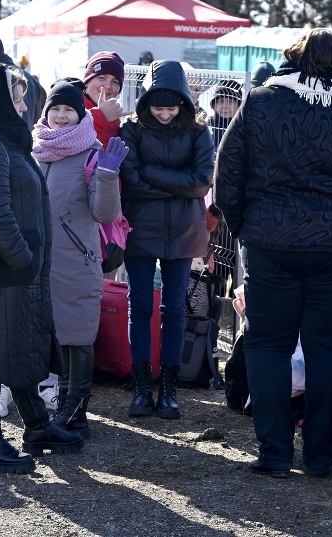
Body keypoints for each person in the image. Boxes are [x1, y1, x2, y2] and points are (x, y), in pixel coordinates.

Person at [214, 28, 332, 478]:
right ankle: (320, 454)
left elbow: (226, 178)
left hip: (270, 242)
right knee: (330, 351)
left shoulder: (259, 101)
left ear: (291, 58)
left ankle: (274, 452)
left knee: (267, 346)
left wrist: (248, 230)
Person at [0, 63, 84, 473]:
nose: (26, 106)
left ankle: (38, 425)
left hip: (10, 270)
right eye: (17, 97)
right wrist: (24, 260)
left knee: (18, 346)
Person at [29, 77, 126, 438]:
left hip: (77, 258)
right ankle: (62, 403)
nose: (61, 116)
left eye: (69, 109)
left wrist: (106, 174)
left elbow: (104, 213)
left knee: (78, 334)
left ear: (80, 113)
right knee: (55, 334)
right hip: (41, 261)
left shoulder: (91, 152)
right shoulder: (37, 151)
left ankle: (76, 410)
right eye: (55, 109)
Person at [119, 59, 215, 420]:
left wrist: (151, 175)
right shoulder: (131, 129)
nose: (163, 113)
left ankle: (169, 389)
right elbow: (130, 179)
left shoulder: (198, 131)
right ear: (147, 102)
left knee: (175, 309)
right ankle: (142, 387)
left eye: (171, 106)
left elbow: (201, 181)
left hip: (184, 231)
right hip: (140, 228)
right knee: (140, 307)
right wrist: (177, 184)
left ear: (184, 103)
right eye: (158, 106)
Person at [82, 51, 127, 148]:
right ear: (86, 82)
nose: (108, 86)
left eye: (115, 82)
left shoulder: (115, 119)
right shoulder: (69, 105)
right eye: (102, 78)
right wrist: (101, 116)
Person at [208, 79, 243, 147]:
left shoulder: (244, 128)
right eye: (221, 101)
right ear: (214, 105)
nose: (225, 106)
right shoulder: (205, 126)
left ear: (239, 105)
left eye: (230, 101)